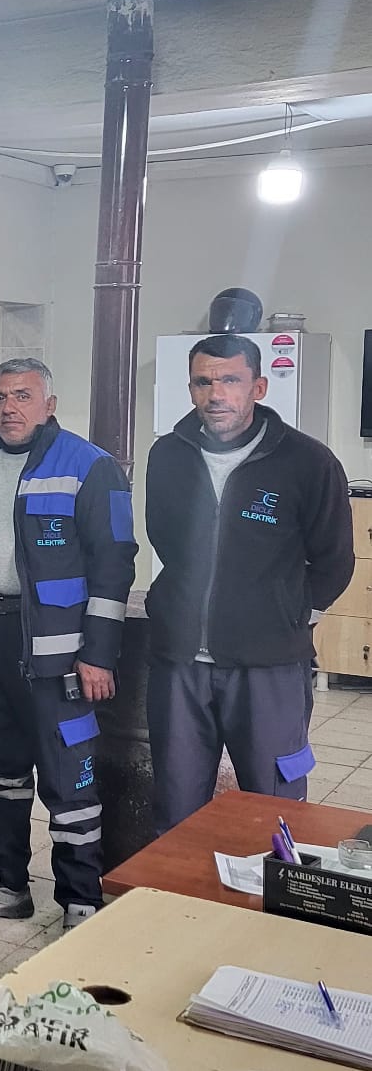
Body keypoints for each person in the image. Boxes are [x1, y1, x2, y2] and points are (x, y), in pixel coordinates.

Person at [0, 358, 136, 930]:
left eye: (23, 396)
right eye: (1, 397)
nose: (9, 408)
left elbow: (115, 566)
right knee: (1, 767)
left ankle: (81, 900)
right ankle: (6, 883)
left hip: (59, 652)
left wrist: (98, 652)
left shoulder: (89, 466)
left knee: (67, 776)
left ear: (49, 404)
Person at [145, 334, 354, 829]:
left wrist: (290, 615)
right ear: (191, 389)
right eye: (203, 382)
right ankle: (183, 883)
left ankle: (271, 883)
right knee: (177, 809)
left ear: (258, 387)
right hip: (181, 666)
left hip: (269, 667)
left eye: (230, 380)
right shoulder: (168, 455)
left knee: (275, 805)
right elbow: (163, 538)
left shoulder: (308, 462)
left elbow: (334, 560)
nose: (216, 394)